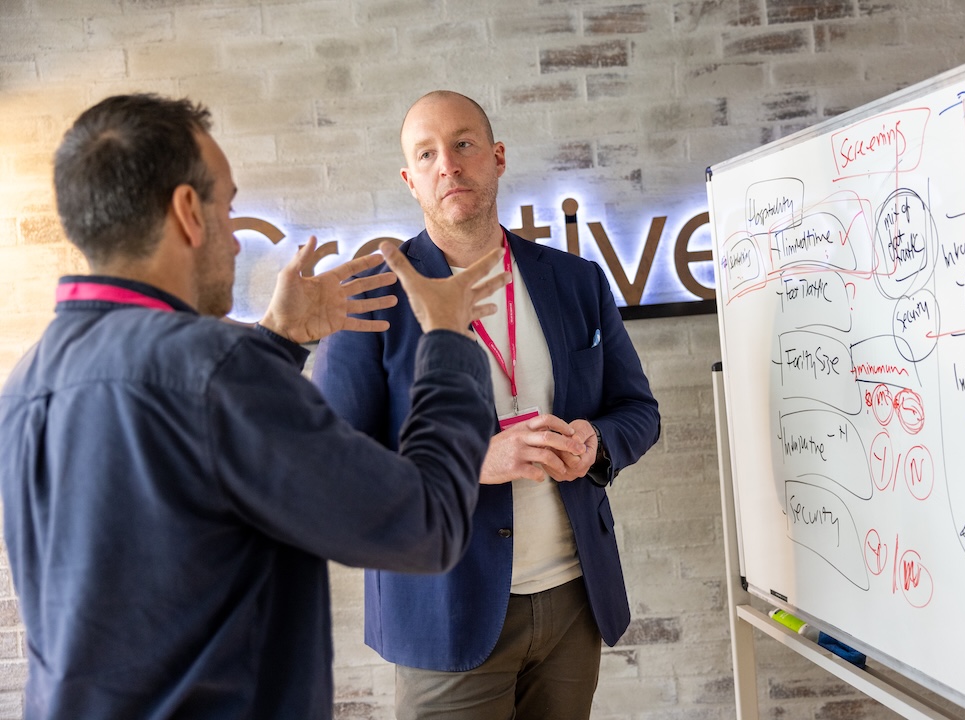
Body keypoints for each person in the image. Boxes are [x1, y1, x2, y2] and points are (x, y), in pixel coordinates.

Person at [0, 93, 512, 720]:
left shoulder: (26, 382)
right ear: (188, 211)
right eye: (228, 208)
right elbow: (427, 527)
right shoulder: (217, 372)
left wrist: (275, 342)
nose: (237, 242)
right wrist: (448, 340)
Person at [312, 90, 662, 719]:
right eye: (427, 154)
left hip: (573, 599)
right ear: (410, 180)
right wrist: (473, 460)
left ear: (497, 157)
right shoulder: (367, 296)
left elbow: (638, 409)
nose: (448, 165)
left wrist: (597, 443)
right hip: (444, 610)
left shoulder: (576, 280)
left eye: (464, 144)